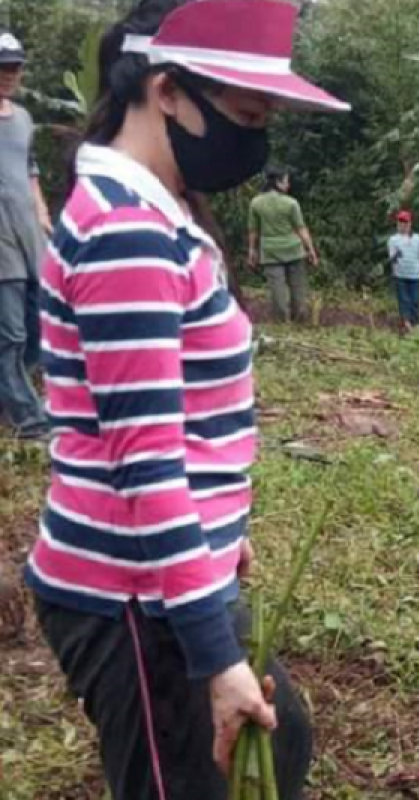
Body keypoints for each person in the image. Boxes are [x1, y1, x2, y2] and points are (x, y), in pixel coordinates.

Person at [23, 2, 348, 798]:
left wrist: (220, 528)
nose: (256, 137)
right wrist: (214, 654)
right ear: (166, 91)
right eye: (246, 114)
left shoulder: (150, 217)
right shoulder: (129, 234)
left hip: (162, 573)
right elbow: (146, 461)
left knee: (285, 737)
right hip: (128, 590)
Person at [0, 30, 51, 439]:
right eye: (3, 67)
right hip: (1, 244)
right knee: (11, 334)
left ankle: (10, 391)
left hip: (29, 233)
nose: (9, 74)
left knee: (38, 325)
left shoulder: (23, 119)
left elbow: (29, 171)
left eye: (14, 67)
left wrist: (44, 214)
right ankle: (28, 419)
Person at [248, 164, 318, 323]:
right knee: (298, 289)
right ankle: (300, 321)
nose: (288, 184)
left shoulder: (256, 203)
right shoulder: (291, 203)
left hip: (270, 252)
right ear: (277, 183)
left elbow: (253, 230)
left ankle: (281, 323)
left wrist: (252, 251)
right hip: (294, 250)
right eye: (286, 181)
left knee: (277, 291)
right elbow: (301, 229)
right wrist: (311, 250)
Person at [387, 209, 419, 331]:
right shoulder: (393, 239)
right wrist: (394, 260)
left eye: (405, 222)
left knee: (415, 299)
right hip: (400, 275)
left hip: (415, 275)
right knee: (403, 299)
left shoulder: (417, 238)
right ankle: (406, 322)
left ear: (410, 223)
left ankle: (415, 322)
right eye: (400, 222)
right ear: (397, 224)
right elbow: (391, 258)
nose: (403, 225)